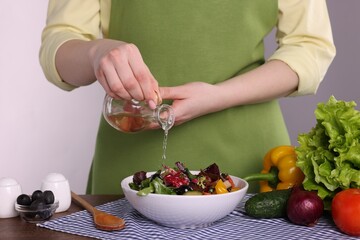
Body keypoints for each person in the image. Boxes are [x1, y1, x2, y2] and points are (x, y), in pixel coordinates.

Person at [39, 0, 336, 194]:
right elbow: (59, 45)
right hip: (130, 166)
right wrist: (95, 53)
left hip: (252, 169)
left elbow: (309, 47)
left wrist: (219, 95)